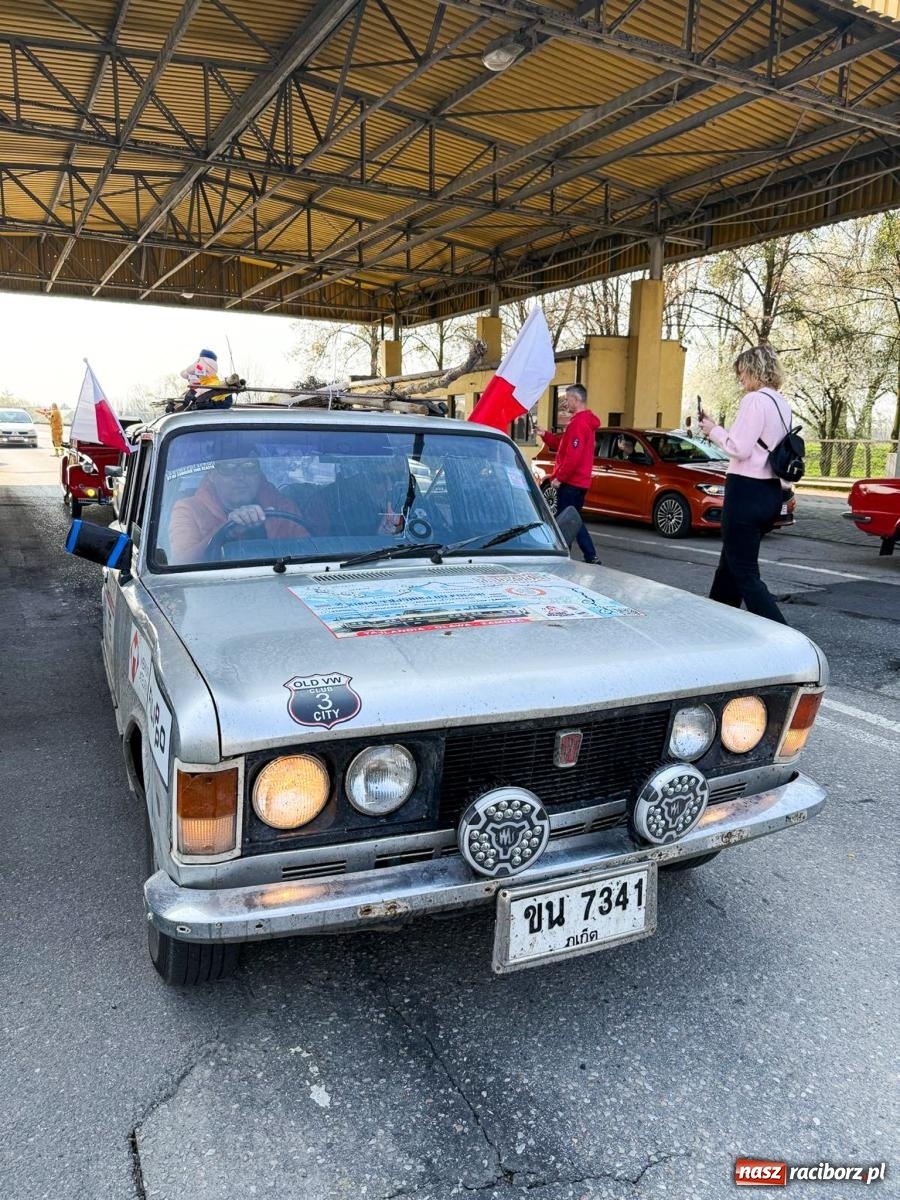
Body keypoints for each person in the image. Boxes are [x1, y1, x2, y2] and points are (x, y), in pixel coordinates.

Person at [699, 345, 790, 624]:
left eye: (742, 373)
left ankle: (782, 633)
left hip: (746, 491)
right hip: (770, 491)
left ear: (753, 370)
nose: (740, 379)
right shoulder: (781, 403)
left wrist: (713, 430)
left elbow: (739, 448)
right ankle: (716, 622)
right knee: (729, 565)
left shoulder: (754, 400)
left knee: (744, 573)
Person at [168, 447, 306, 564]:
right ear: (212, 475)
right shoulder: (188, 509)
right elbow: (181, 563)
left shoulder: (282, 506)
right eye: (227, 468)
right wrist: (225, 531)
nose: (240, 476)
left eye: (249, 467)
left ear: (259, 474)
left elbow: (308, 551)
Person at [535, 384, 601, 564]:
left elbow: (573, 457)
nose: (565, 403)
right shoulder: (585, 422)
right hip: (580, 482)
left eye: (567, 399)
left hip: (571, 482)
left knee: (569, 520)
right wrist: (545, 435)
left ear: (576, 399)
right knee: (572, 519)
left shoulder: (578, 424)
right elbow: (563, 444)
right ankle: (576, 554)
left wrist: (559, 478)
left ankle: (588, 555)